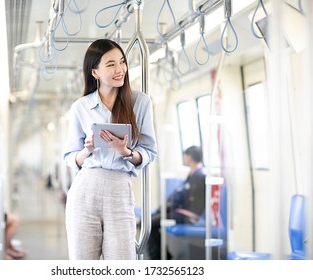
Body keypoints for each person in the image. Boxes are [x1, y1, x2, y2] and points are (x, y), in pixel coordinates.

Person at [63, 38, 157, 260]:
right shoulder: (81, 107)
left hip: (119, 188)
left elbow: (149, 151)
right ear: (95, 72)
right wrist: (87, 149)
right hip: (85, 189)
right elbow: (70, 157)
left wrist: (126, 152)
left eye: (122, 62)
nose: (120, 69)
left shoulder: (140, 103)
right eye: (111, 64)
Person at [147, 145, 206, 260]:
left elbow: (188, 198)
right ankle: (161, 255)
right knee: (153, 219)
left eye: (185, 156)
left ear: (189, 157)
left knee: (151, 224)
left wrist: (171, 203)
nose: (184, 158)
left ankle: (158, 258)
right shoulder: (193, 174)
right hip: (182, 212)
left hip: (189, 216)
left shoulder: (199, 176)